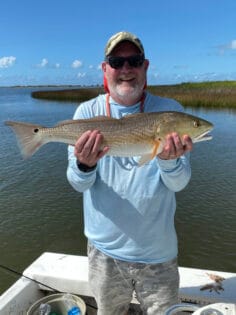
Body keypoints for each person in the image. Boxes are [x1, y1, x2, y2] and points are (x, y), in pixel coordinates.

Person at [67, 31, 193, 315]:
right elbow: (77, 183)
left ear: (145, 67)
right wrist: (85, 165)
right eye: (116, 61)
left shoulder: (170, 113)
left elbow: (179, 182)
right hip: (104, 254)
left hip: (158, 256)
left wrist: (169, 160)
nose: (126, 69)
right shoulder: (86, 113)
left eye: (134, 61)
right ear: (105, 68)